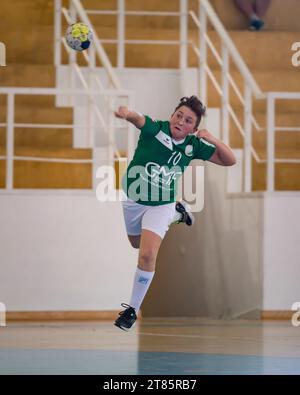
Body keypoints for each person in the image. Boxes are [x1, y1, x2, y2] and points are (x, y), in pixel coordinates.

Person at [114, 96, 236, 331]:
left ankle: (131, 310)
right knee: (135, 244)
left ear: (194, 128)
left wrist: (211, 139)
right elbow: (139, 119)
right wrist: (127, 113)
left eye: (188, 120)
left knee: (147, 256)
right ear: (172, 116)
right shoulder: (156, 129)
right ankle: (179, 214)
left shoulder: (193, 146)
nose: (181, 121)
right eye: (178, 115)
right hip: (133, 200)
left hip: (162, 203)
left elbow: (230, 160)